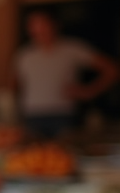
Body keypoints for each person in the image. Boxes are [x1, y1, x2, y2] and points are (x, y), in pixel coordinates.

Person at [13, 9, 119, 139]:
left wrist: (89, 91)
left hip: (63, 115)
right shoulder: (24, 55)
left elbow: (112, 70)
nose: (38, 30)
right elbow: (15, 86)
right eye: (33, 25)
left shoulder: (73, 49)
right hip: (32, 116)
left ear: (55, 25)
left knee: (65, 154)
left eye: (42, 24)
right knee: (33, 156)